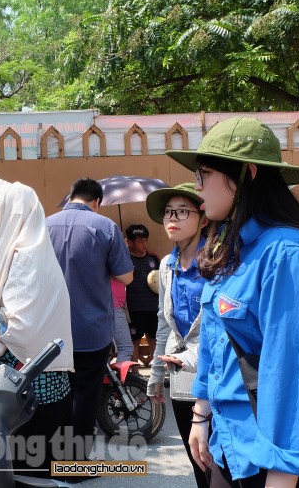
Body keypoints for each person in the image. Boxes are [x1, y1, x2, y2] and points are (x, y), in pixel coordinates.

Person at [166, 117, 299, 487]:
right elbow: (217, 342)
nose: (196, 187)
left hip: (270, 458)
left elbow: (295, 376)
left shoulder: (287, 254)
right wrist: (201, 413)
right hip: (231, 444)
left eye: (204, 174)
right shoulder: (237, 248)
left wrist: (281, 477)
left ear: (247, 173)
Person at [0, 176, 74, 475]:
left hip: (30, 392)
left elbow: (17, 327)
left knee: (25, 474)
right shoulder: (32, 250)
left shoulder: (24, 257)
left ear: (12, 216)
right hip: (45, 388)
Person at [46, 178, 134, 460]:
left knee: (58, 395)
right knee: (85, 398)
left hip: (51, 332)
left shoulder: (45, 225)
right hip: (91, 331)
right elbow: (126, 276)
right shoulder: (105, 227)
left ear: (70, 196)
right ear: (97, 202)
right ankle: (77, 463)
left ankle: (56, 458)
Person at [145, 183, 209, 488]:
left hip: (213, 369)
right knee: (193, 450)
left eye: (183, 211)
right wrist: (155, 373)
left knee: (217, 455)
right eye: (169, 212)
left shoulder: (217, 261)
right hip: (178, 370)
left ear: (203, 218)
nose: (173, 217)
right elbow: (163, 321)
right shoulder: (167, 265)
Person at [124, 224, 160, 370]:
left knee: (154, 339)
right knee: (135, 340)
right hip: (134, 308)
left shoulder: (154, 259)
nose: (144, 244)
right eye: (140, 241)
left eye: (146, 240)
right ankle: (134, 372)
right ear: (130, 242)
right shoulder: (125, 259)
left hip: (153, 307)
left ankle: (158, 370)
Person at [111, 276, 134, 363]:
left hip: (105, 304)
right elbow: (128, 278)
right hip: (114, 305)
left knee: (106, 349)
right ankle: (120, 377)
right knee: (126, 348)